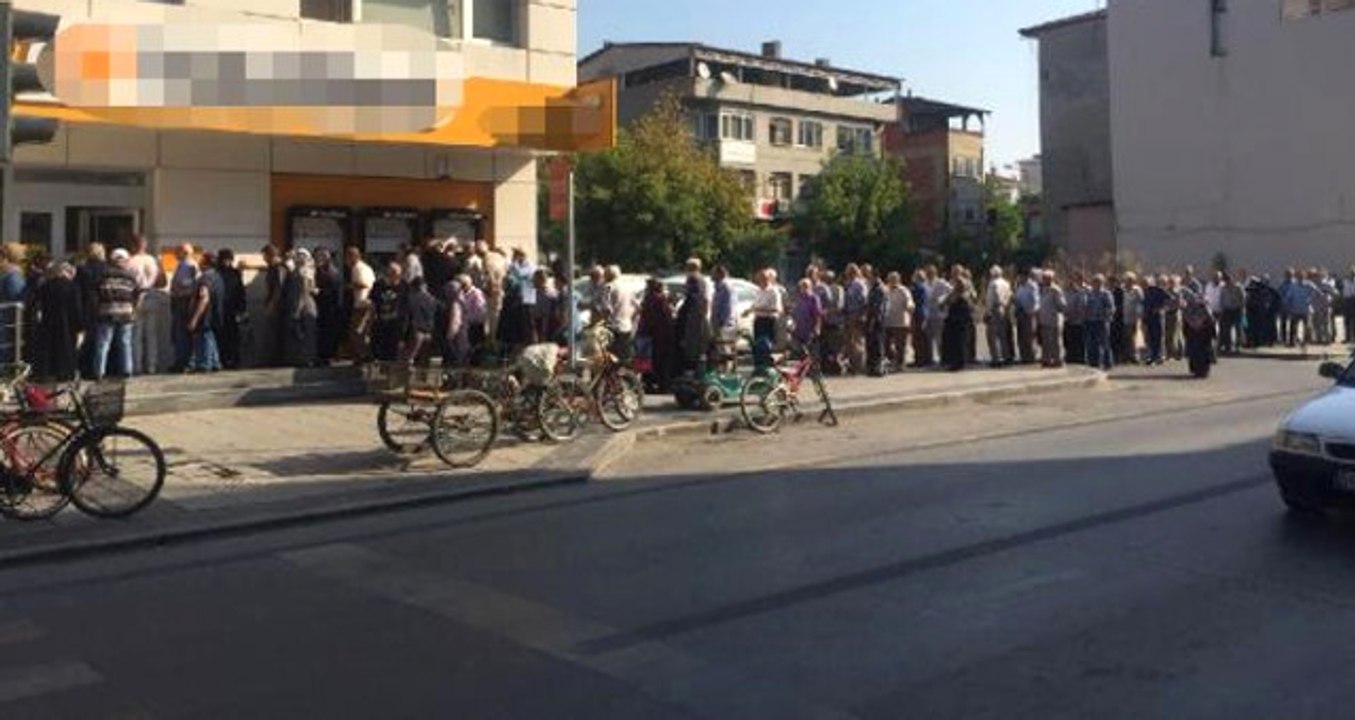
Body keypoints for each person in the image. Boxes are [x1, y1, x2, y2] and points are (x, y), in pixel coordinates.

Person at [92, 249, 140, 379]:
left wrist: (97, 308)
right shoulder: (130, 276)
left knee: (103, 343)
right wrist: (133, 309)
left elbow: (96, 294)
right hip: (126, 312)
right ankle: (127, 370)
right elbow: (136, 295)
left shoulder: (103, 275)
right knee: (125, 343)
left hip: (106, 311)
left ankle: (99, 371)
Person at [33, 262, 83, 382]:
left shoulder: (45, 286)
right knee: (66, 349)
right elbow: (76, 308)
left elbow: (37, 305)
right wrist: (80, 326)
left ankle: (46, 373)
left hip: (48, 322)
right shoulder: (72, 286)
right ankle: (65, 374)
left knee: (48, 348)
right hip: (67, 324)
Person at [126, 235, 161, 375]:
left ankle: (137, 366)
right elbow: (159, 280)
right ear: (144, 245)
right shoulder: (152, 260)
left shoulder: (130, 261)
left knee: (136, 334)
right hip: (151, 295)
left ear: (133, 245)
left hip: (136, 297)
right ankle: (152, 366)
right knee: (151, 334)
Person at [187, 252, 225, 374]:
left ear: (205, 263)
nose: (199, 262)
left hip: (205, 314)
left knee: (204, 337)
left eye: (201, 260)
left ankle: (205, 363)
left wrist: (195, 318)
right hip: (215, 313)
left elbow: (204, 298)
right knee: (210, 336)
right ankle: (215, 362)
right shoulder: (218, 277)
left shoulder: (205, 278)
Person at [637, 277, 677, 393]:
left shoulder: (648, 298)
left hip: (648, 333)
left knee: (647, 360)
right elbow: (666, 317)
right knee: (660, 361)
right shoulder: (660, 299)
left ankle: (648, 384)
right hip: (659, 334)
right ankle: (662, 384)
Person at [282, 248, 319, 368]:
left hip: (303, 305)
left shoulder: (304, 272)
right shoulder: (303, 270)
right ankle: (302, 358)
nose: (299, 258)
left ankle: (305, 358)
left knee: (304, 333)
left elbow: (303, 292)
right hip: (302, 304)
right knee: (302, 333)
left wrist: (297, 310)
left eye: (301, 256)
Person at [75, 243, 108, 378]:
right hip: (104, 304)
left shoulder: (82, 269)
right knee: (103, 339)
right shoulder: (106, 268)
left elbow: (77, 290)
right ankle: (102, 368)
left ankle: (86, 368)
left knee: (88, 339)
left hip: (87, 305)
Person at [168, 243, 200, 373]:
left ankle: (186, 362)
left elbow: (189, 283)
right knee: (179, 333)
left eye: (177, 251)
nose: (175, 254)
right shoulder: (182, 265)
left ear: (184, 252)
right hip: (180, 300)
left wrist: (178, 286)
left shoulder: (189, 266)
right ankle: (181, 361)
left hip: (185, 301)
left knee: (184, 333)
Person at [676, 259, 711, 373]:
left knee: (690, 342)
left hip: (692, 314)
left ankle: (689, 368)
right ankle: (696, 366)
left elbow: (691, 298)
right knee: (698, 342)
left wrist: (681, 312)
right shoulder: (702, 279)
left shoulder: (693, 279)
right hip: (699, 313)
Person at [343, 247, 377, 363]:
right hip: (369, 303)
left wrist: (350, 286)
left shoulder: (357, 268)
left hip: (362, 304)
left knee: (357, 332)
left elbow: (363, 284)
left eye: (347, 258)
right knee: (363, 331)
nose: (346, 261)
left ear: (352, 257)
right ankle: (363, 355)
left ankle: (363, 355)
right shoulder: (367, 268)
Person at [369, 262, 406, 363]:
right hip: (381, 321)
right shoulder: (378, 285)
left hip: (396, 322)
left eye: (398, 274)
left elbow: (406, 306)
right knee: (379, 350)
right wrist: (370, 321)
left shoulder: (404, 286)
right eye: (393, 274)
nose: (396, 277)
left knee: (393, 351)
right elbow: (373, 304)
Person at [599, 265, 637, 362]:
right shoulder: (627, 287)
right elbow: (637, 306)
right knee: (624, 358)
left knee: (611, 359)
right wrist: (631, 319)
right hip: (627, 326)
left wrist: (603, 321)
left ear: (607, 275)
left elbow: (606, 308)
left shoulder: (608, 287)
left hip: (613, 327)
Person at [216, 249, 246, 370]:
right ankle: (223, 360)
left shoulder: (235, 273)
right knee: (221, 336)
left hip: (232, 309)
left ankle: (234, 360)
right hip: (220, 309)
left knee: (234, 336)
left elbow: (240, 291)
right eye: (224, 260)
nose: (226, 262)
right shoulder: (217, 272)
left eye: (228, 260)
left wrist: (242, 308)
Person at [748, 268, 784, 368]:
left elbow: (777, 309)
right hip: (758, 320)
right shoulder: (758, 291)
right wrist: (750, 310)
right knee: (757, 345)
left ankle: (767, 366)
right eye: (759, 279)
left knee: (766, 346)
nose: (760, 282)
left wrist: (760, 309)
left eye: (762, 279)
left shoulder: (773, 292)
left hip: (768, 321)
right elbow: (754, 304)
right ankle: (758, 366)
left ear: (767, 279)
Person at [314, 248, 343, 366]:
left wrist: (319, 292)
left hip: (329, 307)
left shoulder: (332, 272)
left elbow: (332, 290)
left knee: (327, 332)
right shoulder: (322, 270)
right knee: (323, 332)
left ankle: (326, 356)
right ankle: (323, 355)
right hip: (324, 306)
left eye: (321, 257)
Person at [941, 274, 974, 372]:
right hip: (953, 322)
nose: (957, 285)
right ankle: (954, 362)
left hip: (960, 322)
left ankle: (959, 363)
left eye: (959, 284)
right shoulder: (953, 294)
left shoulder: (964, 296)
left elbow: (970, 308)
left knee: (960, 344)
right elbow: (943, 304)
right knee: (953, 343)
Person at [402, 277, 439, 365]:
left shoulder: (411, 298)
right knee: (423, 362)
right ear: (425, 286)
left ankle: (407, 373)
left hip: (415, 331)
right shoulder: (433, 299)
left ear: (413, 287)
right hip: (429, 332)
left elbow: (406, 318)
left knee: (408, 359)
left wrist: (402, 337)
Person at [1083, 274, 1116, 371]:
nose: (1096, 284)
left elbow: (1111, 307)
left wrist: (1105, 315)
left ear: (1102, 283)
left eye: (1098, 282)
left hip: (1102, 321)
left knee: (1104, 343)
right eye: (1094, 282)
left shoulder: (1106, 293)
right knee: (1091, 343)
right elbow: (1086, 305)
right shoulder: (1089, 294)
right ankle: (1093, 363)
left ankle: (1107, 363)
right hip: (1091, 321)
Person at [984, 266, 1014, 368]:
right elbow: (1010, 296)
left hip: (994, 310)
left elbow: (991, 299)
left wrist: (988, 312)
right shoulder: (1006, 283)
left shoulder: (993, 284)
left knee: (992, 336)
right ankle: (1006, 356)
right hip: (1004, 309)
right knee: (1003, 335)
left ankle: (996, 358)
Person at [884, 272, 913, 371]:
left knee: (900, 345)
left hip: (901, 321)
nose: (892, 281)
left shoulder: (904, 290)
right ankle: (893, 360)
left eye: (894, 279)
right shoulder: (885, 290)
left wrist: (909, 306)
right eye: (890, 279)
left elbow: (909, 301)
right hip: (888, 321)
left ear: (898, 280)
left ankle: (900, 364)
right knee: (886, 344)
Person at [1142, 274, 1173, 366]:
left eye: (1147, 282)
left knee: (1158, 337)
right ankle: (1152, 356)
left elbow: (1170, 300)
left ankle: (1159, 356)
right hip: (1148, 317)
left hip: (1158, 317)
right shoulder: (1146, 291)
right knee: (1150, 338)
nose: (1146, 284)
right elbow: (1144, 304)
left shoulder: (1159, 290)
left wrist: (1161, 308)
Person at [1037, 270, 1066, 368]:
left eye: (1046, 278)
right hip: (1044, 319)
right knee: (1045, 342)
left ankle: (1058, 360)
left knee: (1055, 342)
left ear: (1051, 279)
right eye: (1044, 278)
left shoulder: (1056, 290)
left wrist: (1056, 308)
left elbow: (1062, 305)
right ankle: (1046, 360)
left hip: (1054, 320)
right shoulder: (1042, 290)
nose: (1044, 280)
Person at [864, 267, 889, 376]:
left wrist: (872, 321)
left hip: (876, 320)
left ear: (875, 276)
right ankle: (872, 368)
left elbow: (877, 308)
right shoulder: (873, 288)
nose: (868, 278)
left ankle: (879, 368)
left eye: (870, 275)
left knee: (877, 344)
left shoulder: (879, 289)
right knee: (871, 344)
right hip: (872, 318)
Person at [926, 265, 951, 368]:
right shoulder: (925, 283)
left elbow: (951, 291)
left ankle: (943, 359)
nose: (929, 274)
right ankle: (930, 360)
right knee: (928, 339)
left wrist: (943, 300)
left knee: (939, 339)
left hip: (939, 315)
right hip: (928, 315)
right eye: (928, 272)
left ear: (935, 272)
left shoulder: (941, 282)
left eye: (931, 272)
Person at [791, 277, 824, 353]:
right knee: (799, 350)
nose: (804, 288)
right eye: (802, 286)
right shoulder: (799, 298)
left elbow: (818, 314)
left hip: (810, 327)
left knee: (810, 349)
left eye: (806, 286)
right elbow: (794, 313)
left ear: (810, 287)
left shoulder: (814, 298)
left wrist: (817, 327)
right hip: (799, 328)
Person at [1014, 269, 1040, 365]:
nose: (1019, 278)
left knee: (1030, 337)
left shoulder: (1032, 286)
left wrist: (1033, 311)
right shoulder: (1019, 286)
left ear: (1026, 276)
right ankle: (1024, 356)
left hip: (1029, 314)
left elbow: (1036, 300)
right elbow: (1017, 299)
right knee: (1021, 337)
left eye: (1021, 276)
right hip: (1020, 313)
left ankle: (1032, 357)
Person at [1218, 272, 1245, 355]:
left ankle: (1238, 346)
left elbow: (1243, 298)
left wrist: (1242, 308)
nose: (1227, 282)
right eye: (1226, 281)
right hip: (1227, 310)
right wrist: (1222, 308)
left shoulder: (1238, 287)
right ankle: (1228, 346)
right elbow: (1222, 299)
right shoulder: (1223, 288)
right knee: (1226, 328)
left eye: (1228, 280)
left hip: (1237, 310)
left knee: (1238, 328)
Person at [1064, 273, 1087, 366]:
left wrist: (1074, 315)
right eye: (1068, 280)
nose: (1070, 282)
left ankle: (1079, 358)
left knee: (1078, 341)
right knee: (1069, 340)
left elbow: (1082, 306)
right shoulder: (1065, 292)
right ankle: (1070, 357)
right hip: (1067, 320)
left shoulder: (1079, 292)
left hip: (1078, 321)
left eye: (1072, 280)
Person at [909, 270, 931, 368]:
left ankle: (919, 360)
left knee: (917, 338)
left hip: (918, 314)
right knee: (923, 338)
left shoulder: (917, 287)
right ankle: (924, 359)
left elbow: (913, 300)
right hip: (924, 313)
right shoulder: (926, 286)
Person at [1121, 273, 1144, 365]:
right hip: (1124, 317)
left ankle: (1134, 356)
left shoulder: (1137, 290)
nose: (1129, 282)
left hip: (1134, 317)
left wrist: (1139, 314)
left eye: (1131, 280)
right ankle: (1125, 356)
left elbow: (1141, 303)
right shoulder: (1122, 290)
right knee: (1125, 337)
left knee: (1133, 337)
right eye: (1127, 280)